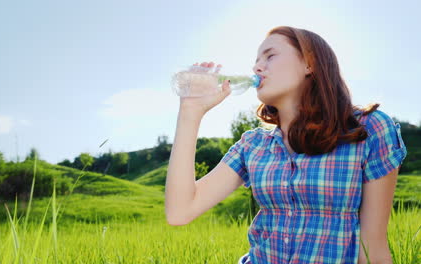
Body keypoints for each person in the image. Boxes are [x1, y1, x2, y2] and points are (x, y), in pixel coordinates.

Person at [165, 26, 407, 264]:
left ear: (309, 63)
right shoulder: (253, 145)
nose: (257, 67)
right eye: (256, 60)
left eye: (270, 56)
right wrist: (190, 111)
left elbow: (372, 249)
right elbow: (180, 211)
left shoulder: (367, 130)